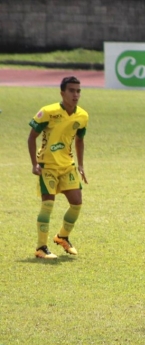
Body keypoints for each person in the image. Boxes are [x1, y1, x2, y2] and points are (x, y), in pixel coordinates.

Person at [27, 76, 89, 259]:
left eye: (78, 91)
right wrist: (34, 164)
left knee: (76, 203)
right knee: (47, 204)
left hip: (67, 165)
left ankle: (62, 236)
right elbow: (31, 137)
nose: (75, 94)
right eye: (71, 91)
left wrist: (81, 165)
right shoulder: (48, 112)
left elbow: (80, 140)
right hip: (47, 165)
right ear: (62, 93)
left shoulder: (82, 116)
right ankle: (41, 247)